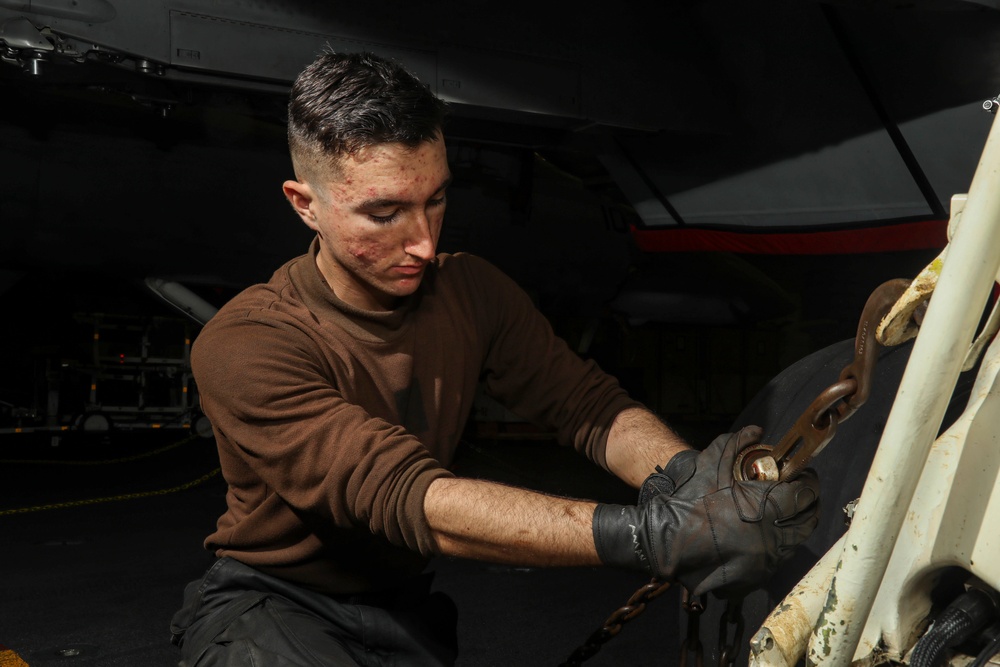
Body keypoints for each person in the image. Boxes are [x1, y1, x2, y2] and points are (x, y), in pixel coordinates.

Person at [169, 49, 820, 666]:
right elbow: (405, 494)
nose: (423, 243)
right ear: (304, 203)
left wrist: (686, 477)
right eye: (384, 212)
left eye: (436, 200)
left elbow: (586, 405)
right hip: (272, 608)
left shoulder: (470, 290)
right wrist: (655, 535)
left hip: (401, 609)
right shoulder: (246, 342)